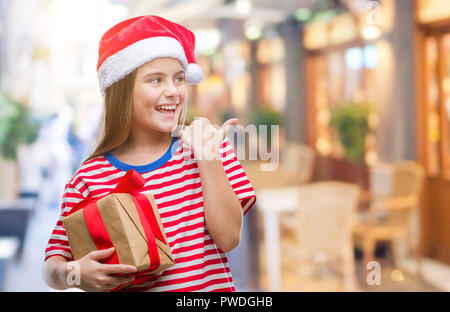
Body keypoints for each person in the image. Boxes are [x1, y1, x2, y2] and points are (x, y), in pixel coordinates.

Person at [42, 15, 256, 292]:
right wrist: (74, 273)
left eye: (179, 79)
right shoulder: (89, 177)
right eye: (155, 80)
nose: (173, 92)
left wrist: (208, 158)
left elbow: (228, 238)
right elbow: (52, 267)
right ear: (122, 92)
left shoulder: (209, 146)